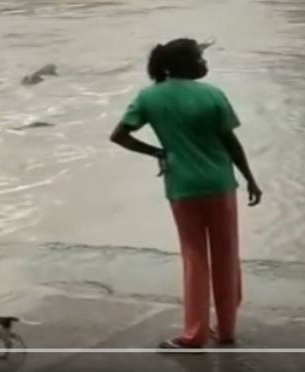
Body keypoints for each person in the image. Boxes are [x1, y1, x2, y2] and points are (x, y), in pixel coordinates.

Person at [110, 38, 262, 349]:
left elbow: (119, 135)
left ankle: (194, 333)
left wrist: (159, 152)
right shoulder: (212, 94)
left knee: (194, 258)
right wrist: (250, 178)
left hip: (182, 186)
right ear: (183, 64)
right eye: (199, 58)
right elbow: (231, 143)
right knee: (226, 255)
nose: (204, 63)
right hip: (220, 184)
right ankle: (228, 330)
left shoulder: (149, 97)